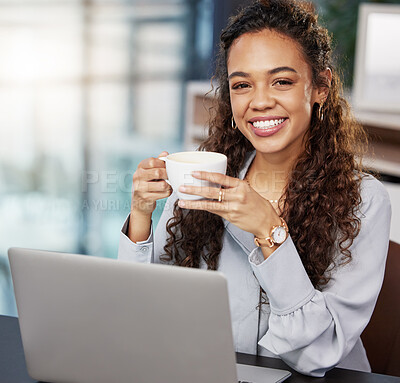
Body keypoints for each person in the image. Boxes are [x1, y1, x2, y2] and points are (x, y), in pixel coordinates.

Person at [118, 0, 391, 377]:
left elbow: (318, 355)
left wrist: (269, 230)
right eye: (242, 85)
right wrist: (141, 216)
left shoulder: (366, 201)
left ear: (321, 87)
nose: (260, 101)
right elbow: (142, 315)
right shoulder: (200, 176)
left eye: (282, 81)